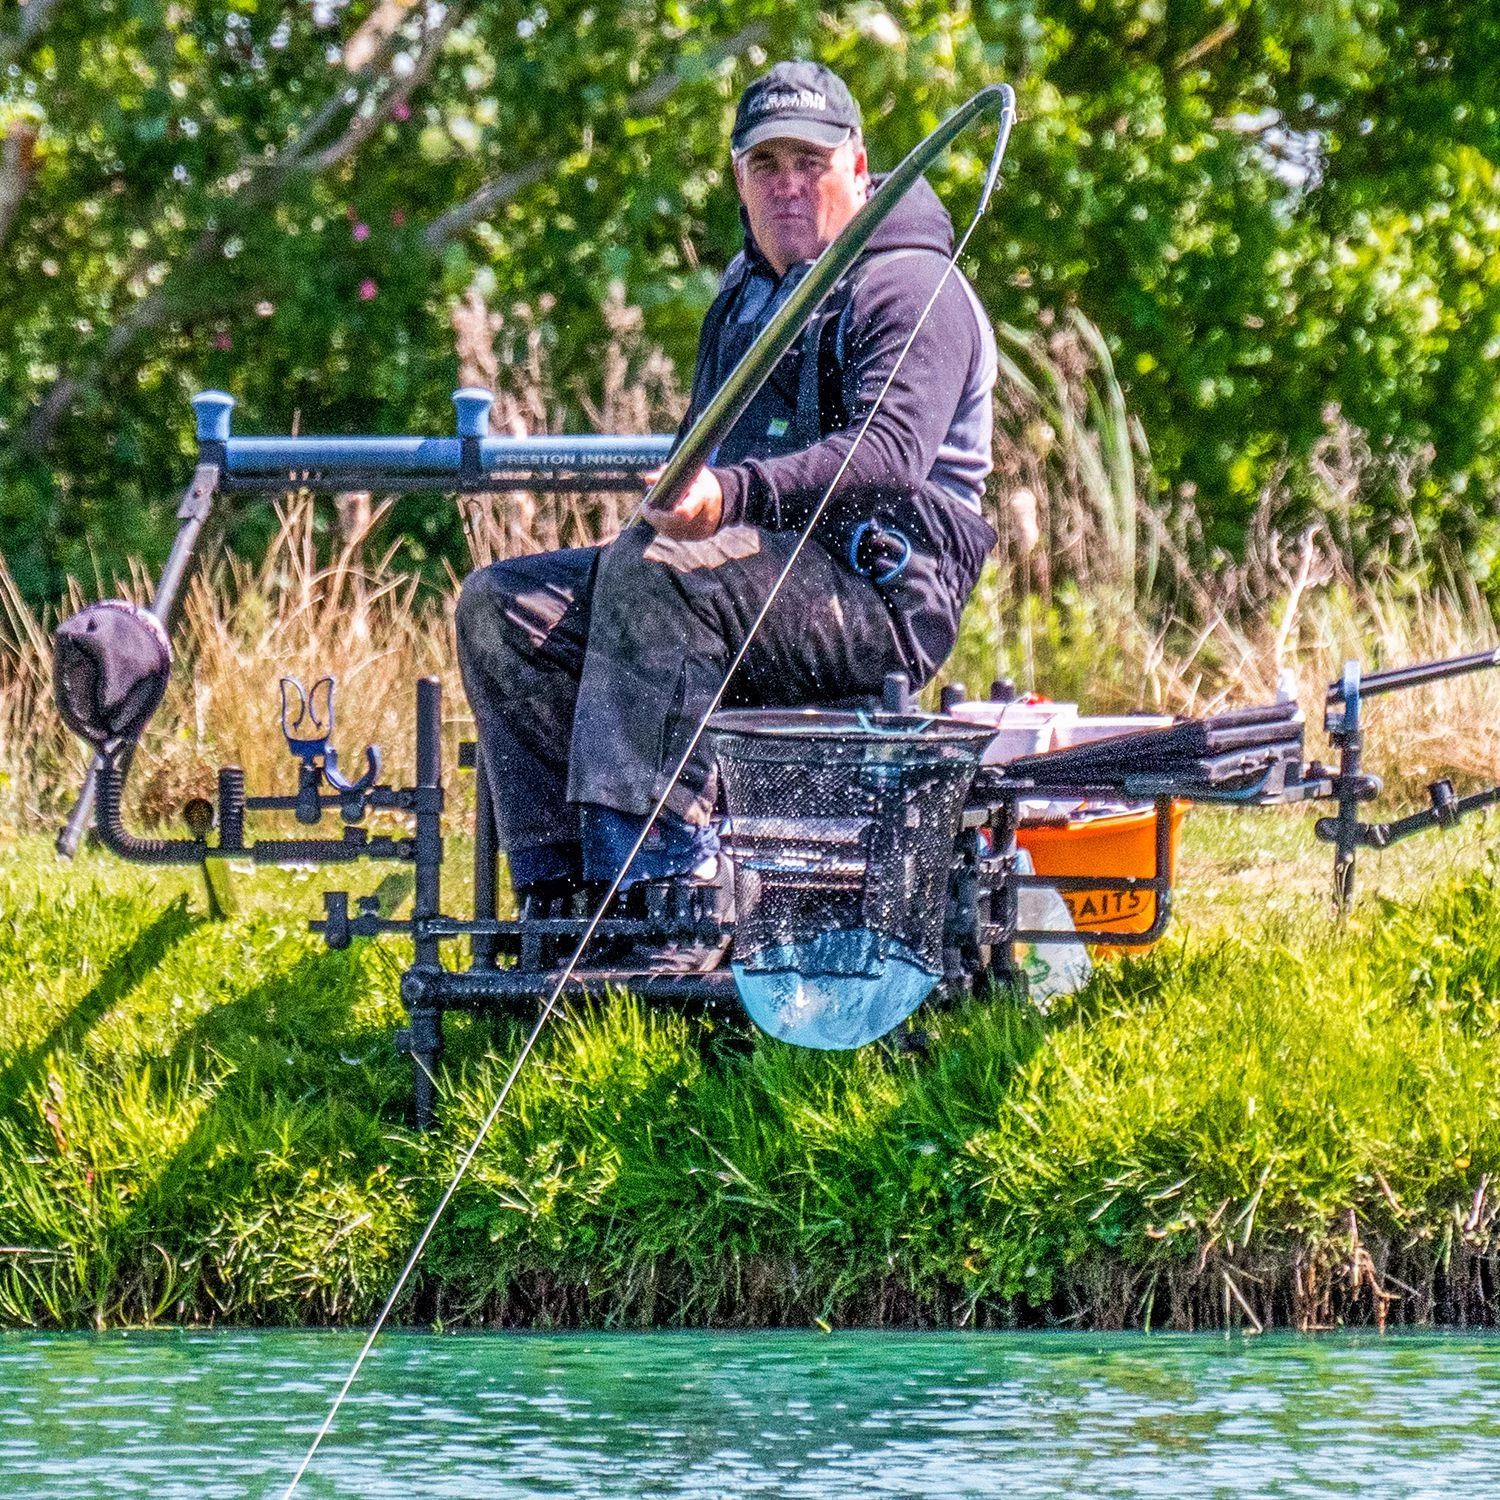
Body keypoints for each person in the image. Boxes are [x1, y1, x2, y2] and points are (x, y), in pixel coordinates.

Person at [456, 60, 998, 927]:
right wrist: (667, 512)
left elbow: (888, 456)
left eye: (810, 163)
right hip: (746, 575)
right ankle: (561, 898)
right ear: (738, 178)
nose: (788, 185)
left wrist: (725, 500)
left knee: (662, 575)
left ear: (859, 168)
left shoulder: (911, 286)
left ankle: (666, 893)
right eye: (765, 165)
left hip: (883, 596)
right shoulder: (743, 297)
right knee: (502, 606)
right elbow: (696, 462)